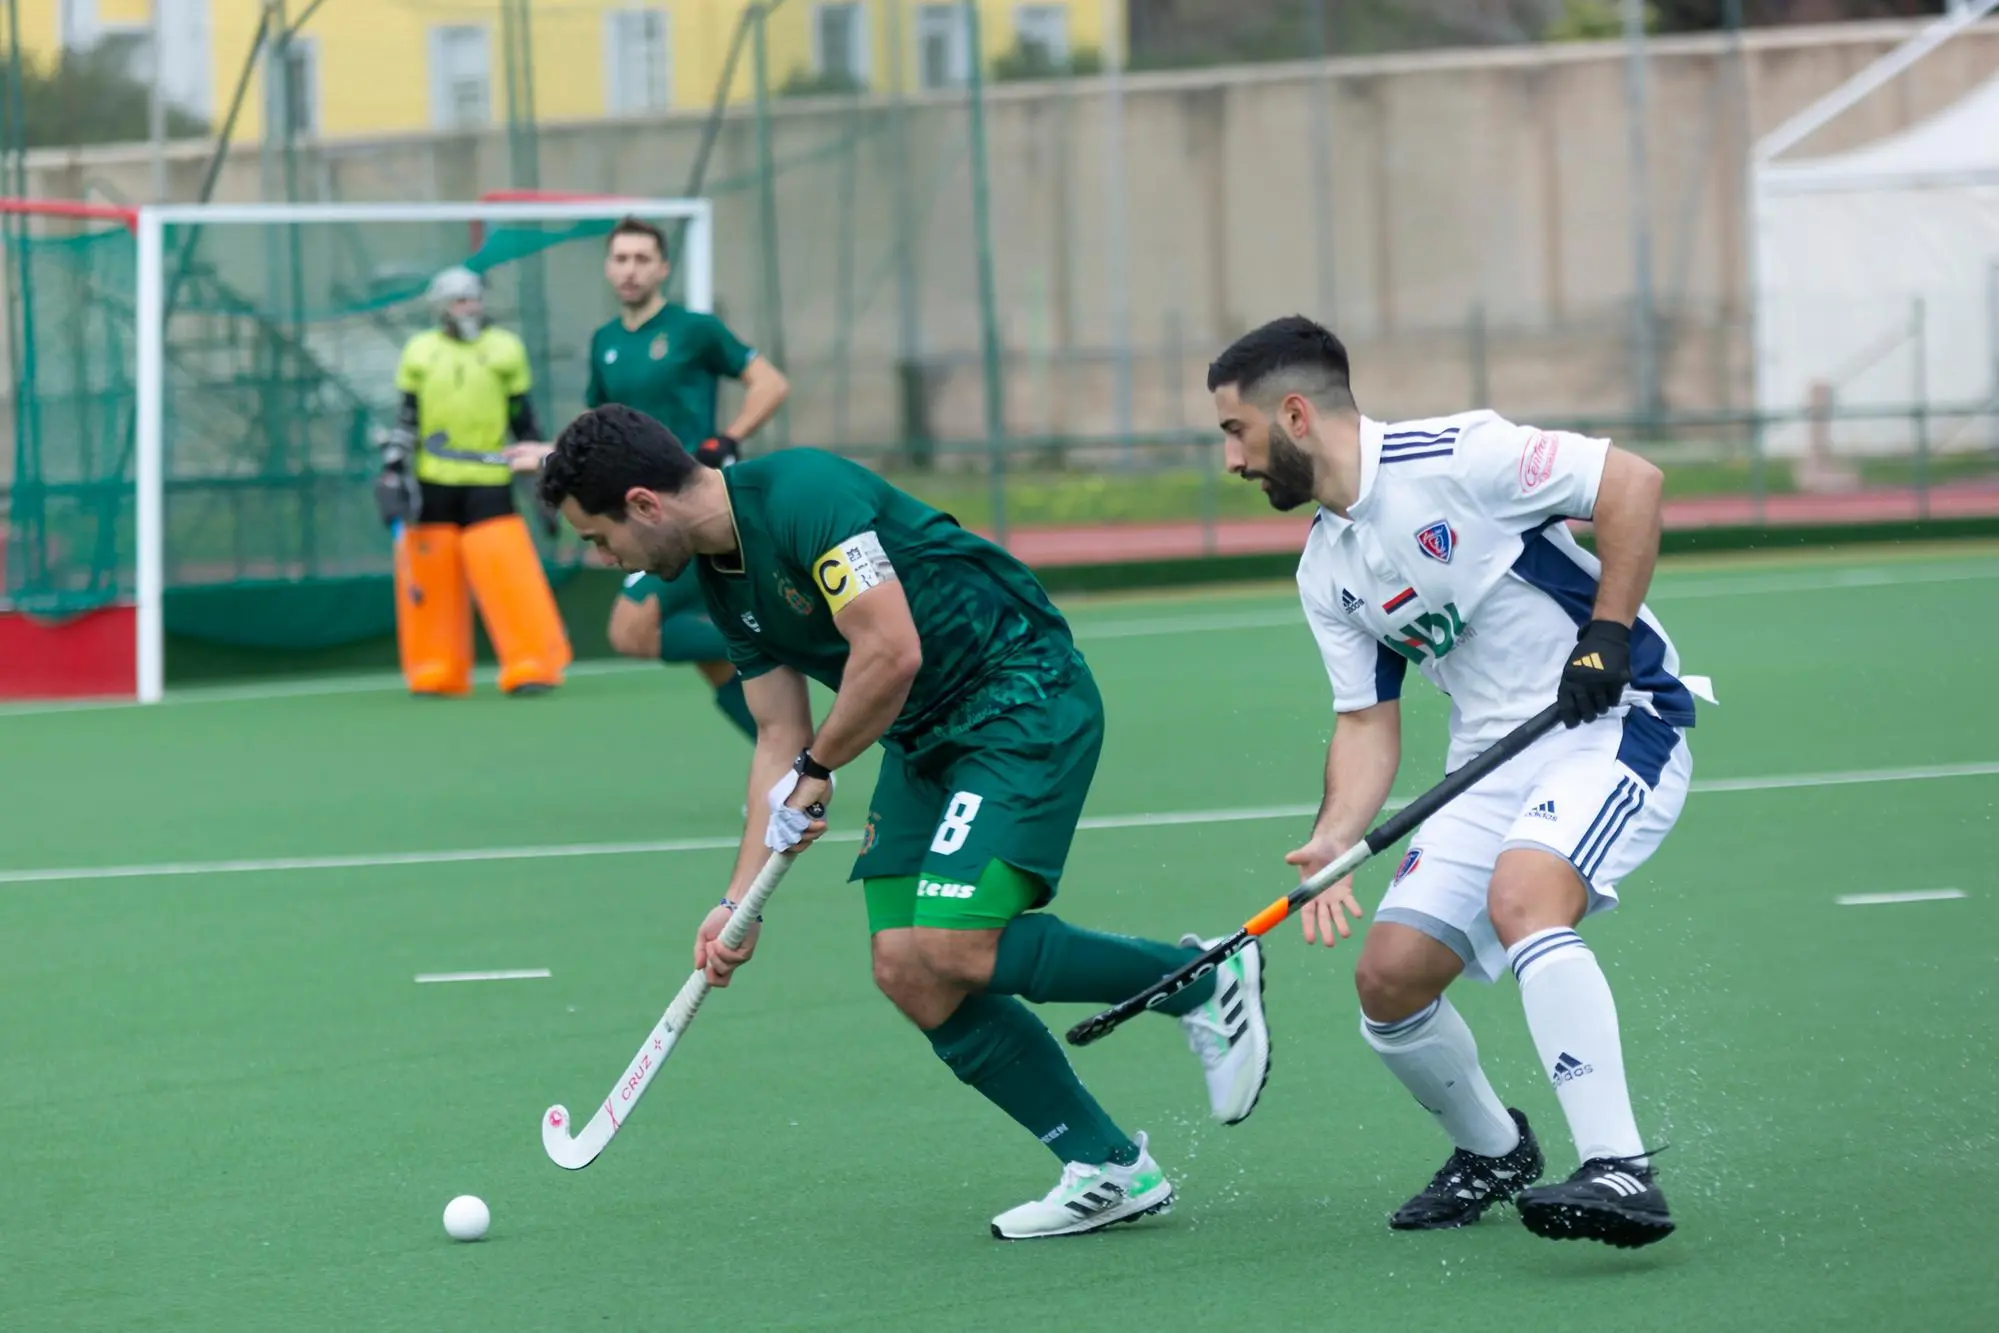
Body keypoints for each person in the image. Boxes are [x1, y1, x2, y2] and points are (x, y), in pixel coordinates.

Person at [534, 404, 1274, 1240]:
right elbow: (777, 734)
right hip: (924, 737)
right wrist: (737, 902)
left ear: (642, 504)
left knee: (956, 941)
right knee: (907, 967)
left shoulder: (803, 494)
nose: (605, 560)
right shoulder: (718, 577)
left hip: (1017, 693)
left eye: (598, 539)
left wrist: (820, 768)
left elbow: (889, 649)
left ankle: (1204, 979)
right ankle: (1106, 1164)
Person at [1207, 315, 1704, 1250]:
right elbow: (1364, 719)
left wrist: (1606, 629)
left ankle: (1619, 1167)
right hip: (1489, 758)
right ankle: (1492, 1148)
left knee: (1526, 899)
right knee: (1387, 980)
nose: (1230, 459)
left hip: (1612, 722)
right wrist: (1334, 835)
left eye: (1235, 430)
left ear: (1296, 414)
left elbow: (1631, 481)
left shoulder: (1461, 455)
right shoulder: (1325, 565)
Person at [567, 215, 790, 741]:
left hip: (693, 512)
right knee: (714, 664)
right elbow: (597, 430)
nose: (630, 269)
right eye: (621, 258)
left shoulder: (695, 329)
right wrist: (551, 456)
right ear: (607, 267)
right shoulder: (605, 342)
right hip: (641, 517)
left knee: (632, 631)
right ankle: (792, 766)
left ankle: (778, 634)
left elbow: (771, 383)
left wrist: (729, 438)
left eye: (642, 259)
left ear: (663, 268)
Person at [376, 266, 570, 697]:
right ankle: (435, 668)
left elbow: (523, 418)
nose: (469, 306)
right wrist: (393, 465)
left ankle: (532, 663)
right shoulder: (420, 351)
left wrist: (542, 471)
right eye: (459, 299)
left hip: (489, 476)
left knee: (508, 571)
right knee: (431, 577)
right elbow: (407, 416)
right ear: (441, 306)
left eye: (473, 298)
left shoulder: (505, 348)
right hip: (434, 481)